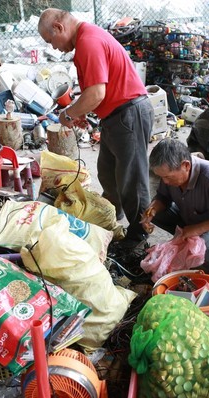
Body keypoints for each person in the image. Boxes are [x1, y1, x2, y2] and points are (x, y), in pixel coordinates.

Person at [38, 9, 154, 246]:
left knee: (132, 179)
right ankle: (112, 215)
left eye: (51, 41)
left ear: (59, 28)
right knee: (109, 173)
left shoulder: (88, 41)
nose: (54, 48)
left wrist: (68, 114)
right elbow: (98, 91)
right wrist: (82, 111)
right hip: (117, 115)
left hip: (129, 114)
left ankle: (140, 233)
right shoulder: (86, 39)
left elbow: (96, 93)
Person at [141, 138, 209, 279]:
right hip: (195, 218)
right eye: (161, 177)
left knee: (207, 244)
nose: (165, 182)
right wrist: (152, 210)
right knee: (154, 211)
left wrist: (199, 228)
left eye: (168, 177)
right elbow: (163, 197)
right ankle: (191, 241)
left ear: (186, 165)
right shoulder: (171, 175)